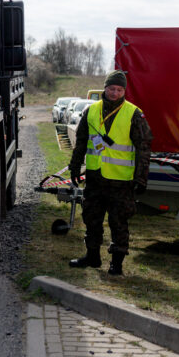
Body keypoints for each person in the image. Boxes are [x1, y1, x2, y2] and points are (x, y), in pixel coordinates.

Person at [67, 70, 152, 275]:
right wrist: (75, 166)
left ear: (124, 91)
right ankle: (92, 257)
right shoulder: (91, 111)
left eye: (119, 90)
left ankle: (116, 264)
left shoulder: (134, 114)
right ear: (105, 88)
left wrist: (141, 177)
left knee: (118, 222)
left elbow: (144, 147)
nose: (115, 93)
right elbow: (81, 141)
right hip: (95, 177)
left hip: (121, 181)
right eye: (112, 88)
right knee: (91, 218)